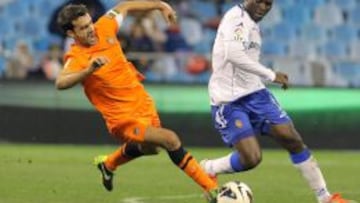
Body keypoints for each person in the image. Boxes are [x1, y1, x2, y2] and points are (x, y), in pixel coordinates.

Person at [55, 2, 218, 202]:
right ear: (71, 33)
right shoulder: (77, 57)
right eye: (83, 28)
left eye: (89, 23)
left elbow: (125, 6)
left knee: (152, 148)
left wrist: (160, 5)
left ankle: (108, 164)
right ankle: (213, 190)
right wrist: (88, 70)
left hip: (142, 104)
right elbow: (60, 82)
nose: (91, 30)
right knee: (170, 139)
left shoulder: (105, 26)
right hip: (122, 119)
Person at [200, 1, 355, 203]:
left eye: (268, 3)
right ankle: (208, 168)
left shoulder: (252, 24)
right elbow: (234, 54)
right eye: (260, 1)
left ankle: (325, 198)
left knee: (291, 138)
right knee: (251, 158)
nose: (264, 7)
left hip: (256, 94)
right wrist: (271, 75)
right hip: (228, 101)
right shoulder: (236, 19)